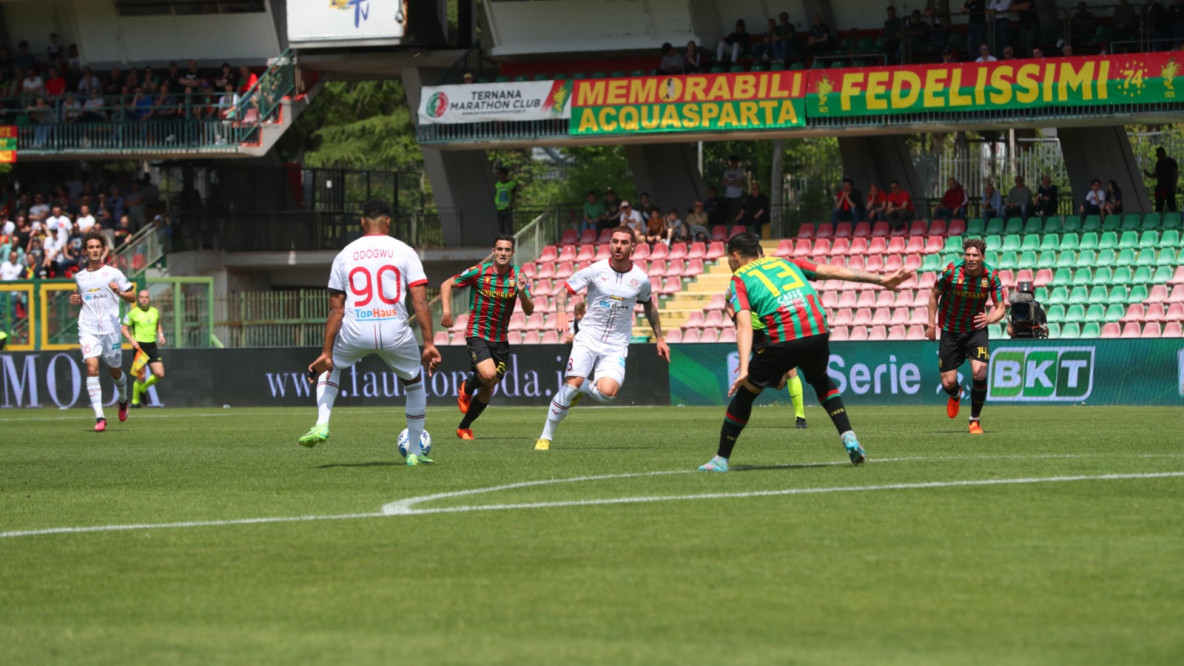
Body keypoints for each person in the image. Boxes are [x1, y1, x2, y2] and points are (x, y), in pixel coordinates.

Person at [698, 232, 912, 472]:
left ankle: (720, 459)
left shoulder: (739, 278)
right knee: (820, 380)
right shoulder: (786, 263)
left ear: (735, 255)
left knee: (745, 395)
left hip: (782, 336)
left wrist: (745, 368)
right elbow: (833, 271)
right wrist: (881, 280)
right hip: (817, 329)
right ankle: (848, 436)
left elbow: (744, 325)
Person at [298, 199, 441, 466]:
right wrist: (429, 343)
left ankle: (322, 423)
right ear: (388, 223)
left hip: (356, 330)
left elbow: (335, 310)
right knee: (413, 383)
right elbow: (420, 301)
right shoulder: (404, 251)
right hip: (394, 330)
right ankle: (414, 450)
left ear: (362, 223)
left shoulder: (344, 254)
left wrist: (326, 352)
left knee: (332, 367)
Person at [535, 226, 671, 451]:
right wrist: (561, 312)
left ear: (632, 247)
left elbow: (649, 307)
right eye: (615, 241)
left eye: (624, 243)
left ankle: (580, 388)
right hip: (588, 337)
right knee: (571, 386)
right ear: (610, 244)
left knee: (608, 393)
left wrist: (660, 338)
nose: (619, 246)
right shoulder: (594, 271)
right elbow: (563, 292)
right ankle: (545, 437)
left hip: (616, 344)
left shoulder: (641, 279)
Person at [441, 234, 534, 440]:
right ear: (493, 251)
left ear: (513, 253)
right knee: (489, 375)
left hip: (500, 339)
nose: (503, 253)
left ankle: (464, 428)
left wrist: (521, 293)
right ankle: (467, 386)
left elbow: (529, 310)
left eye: (507, 250)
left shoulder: (519, 275)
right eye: (499, 249)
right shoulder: (479, 272)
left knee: (488, 387)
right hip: (477, 333)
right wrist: (447, 312)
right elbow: (447, 284)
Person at [925, 237, 1006, 435]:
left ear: (982, 257)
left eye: (975, 255)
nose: (970, 259)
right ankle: (956, 394)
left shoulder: (991, 277)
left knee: (980, 373)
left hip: (975, 330)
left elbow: (1001, 308)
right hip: (950, 330)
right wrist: (930, 325)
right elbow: (934, 294)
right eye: (968, 255)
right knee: (948, 383)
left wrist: (989, 319)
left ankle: (974, 421)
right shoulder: (951, 272)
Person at [724, 255, 807, 429]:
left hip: (774, 328)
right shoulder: (739, 282)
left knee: (791, 370)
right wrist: (736, 321)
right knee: (778, 384)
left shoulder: (770, 279)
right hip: (755, 334)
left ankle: (800, 418)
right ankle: (778, 380)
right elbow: (727, 303)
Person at [68, 231, 136, 432]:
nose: (95, 250)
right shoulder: (79, 277)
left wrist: (119, 292)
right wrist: (77, 300)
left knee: (116, 371)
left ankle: (123, 400)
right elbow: (82, 298)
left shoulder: (114, 273)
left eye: (98, 246)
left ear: (103, 250)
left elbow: (132, 297)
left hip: (111, 329)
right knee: (91, 368)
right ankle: (100, 417)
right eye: (91, 247)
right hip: (88, 328)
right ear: (85, 251)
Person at [121, 288, 166, 408]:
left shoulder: (155, 311)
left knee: (159, 373)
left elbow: (158, 324)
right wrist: (132, 341)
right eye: (141, 297)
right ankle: (135, 402)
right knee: (140, 376)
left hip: (152, 346)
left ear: (149, 299)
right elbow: (124, 329)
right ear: (138, 299)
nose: (144, 299)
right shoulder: (132, 313)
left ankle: (143, 389)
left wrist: (161, 335)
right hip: (140, 347)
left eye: (146, 297)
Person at [1144, 146, 1178, 212]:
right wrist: (1149, 175)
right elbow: (1157, 174)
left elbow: (1175, 173)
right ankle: (1159, 219)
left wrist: (1174, 185)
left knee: (1172, 206)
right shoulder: (1158, 163)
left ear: (1163, 153)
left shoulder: (1171, 162)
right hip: (1160, 187)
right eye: (1157, 154)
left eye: (1158, 154)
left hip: (1169, 187)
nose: (1157, 156)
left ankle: (1174, 219)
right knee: (1159, 206)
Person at [493, 167, 517, 235]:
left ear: (504, 174)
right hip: (499, 208)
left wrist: (510, 205)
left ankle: (510, 239)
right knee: (501, 226)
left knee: (509, 225)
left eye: (500, 173)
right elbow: (496, 195)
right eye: (497, 174)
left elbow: (513, 196)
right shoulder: (497, 184)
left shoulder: (511, 184)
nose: (498, 175)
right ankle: (502, 239)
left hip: (507, 208)